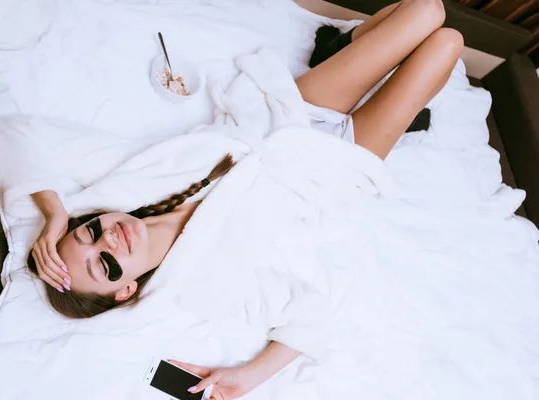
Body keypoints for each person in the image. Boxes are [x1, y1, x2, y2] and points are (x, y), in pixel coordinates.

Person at [28, 1, 463, 399]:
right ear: (125, 291)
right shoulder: (204, 286)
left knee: (427, 10)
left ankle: (340, 45)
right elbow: (311, 316)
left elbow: (18, 133)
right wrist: (249, 376)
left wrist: (53, 214)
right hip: (332, 169)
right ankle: (379, 81)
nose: (110, 240)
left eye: (89, 232)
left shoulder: (127, 187)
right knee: (448, 44)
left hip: (287, 117)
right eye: (105, 264)